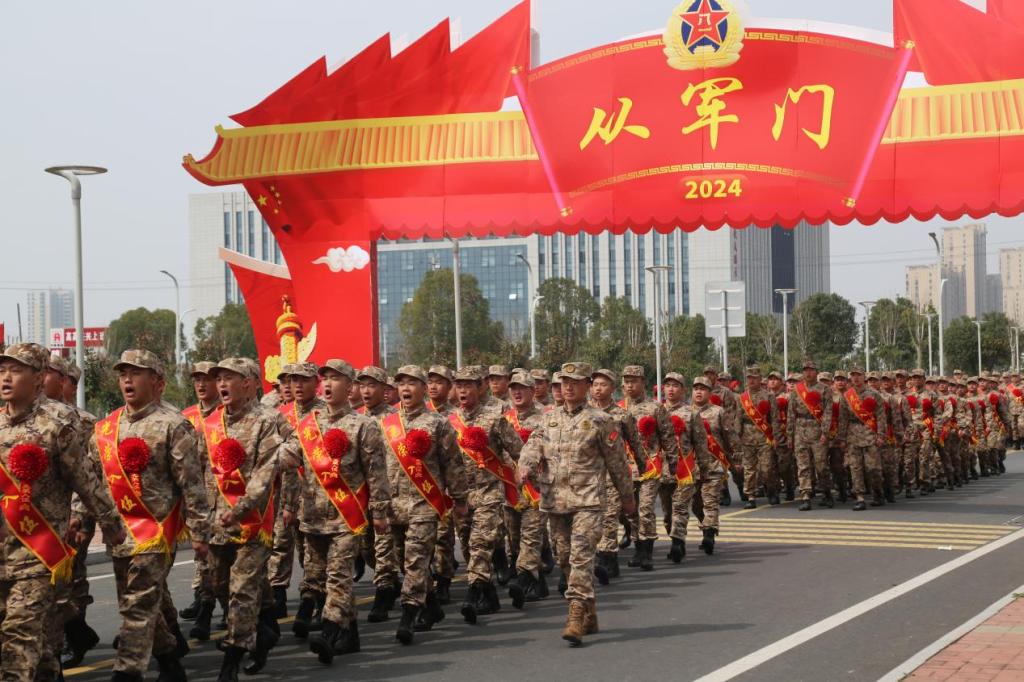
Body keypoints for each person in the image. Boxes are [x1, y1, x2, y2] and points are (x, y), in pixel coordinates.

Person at [228, 359, 390, 665]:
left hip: (346, 516)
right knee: (317, 576)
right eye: (325, 378)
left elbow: (376, 472)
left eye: (336, 379)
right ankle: (350, 634)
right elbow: (284, 459)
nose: (328, 384)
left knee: (338, 577)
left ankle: (329, 632)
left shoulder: (363, 425)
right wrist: (251, 470)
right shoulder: (307, 425)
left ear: (350, 386)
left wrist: (379, 511)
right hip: (312, 516)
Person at [80, 350, 212, 682]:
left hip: (156, 533)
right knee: (135, 602)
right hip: (119, 533)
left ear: (157, 381)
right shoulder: (107, 427)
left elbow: (192, 484)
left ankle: (127, 672)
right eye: (123, 374)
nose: (127, 380)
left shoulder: (173, 424)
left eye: (136, 373)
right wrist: (80, 517)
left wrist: (200, 533)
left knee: (137, 606)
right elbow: (91, 479)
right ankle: (169, 660)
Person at [0, 343, 127, 682]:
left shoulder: (57, 423)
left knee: (18, 639)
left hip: (37, 556)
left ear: (38, 377)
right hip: (2, 552)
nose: (6, 377)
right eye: (2, 370)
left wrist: (109, 522)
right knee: (41, 649)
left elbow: (85, 479)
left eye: (16, 370)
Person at [518, 362, 635, 647]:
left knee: (581, 557)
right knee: (564, 558)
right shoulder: (548, 419)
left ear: (587, 385)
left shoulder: (601, 420)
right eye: (564, 382)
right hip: (555, 501)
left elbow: (617, 461)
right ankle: (590, 611)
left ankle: (575, 614)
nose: (568, 387)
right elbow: (533, 446)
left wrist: (627, 496)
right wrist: (525, 465)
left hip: (588, 501)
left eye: (575, 382)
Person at [200, 358, 283, 682]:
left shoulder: (267, 421)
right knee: (219, 585)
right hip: (216, 522)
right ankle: (263, 632)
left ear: (248, 383)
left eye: (228, 378)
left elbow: (266, 472)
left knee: (242, 589)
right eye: (219, 378)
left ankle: (231, 660)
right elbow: (197, 471)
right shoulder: (209, 424)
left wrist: (241, 507)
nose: (221, 384)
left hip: (252, 521)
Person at [375, 365, 468, 644]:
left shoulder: (437, 423)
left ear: (423, 388)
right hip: (394, 505)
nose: (406, 388)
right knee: (406, 562)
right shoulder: (385, 424)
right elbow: (376, 467)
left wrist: (460, 498)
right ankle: (432, 606)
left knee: (416, 561)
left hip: (424, 504)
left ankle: (408, 615)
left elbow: (452, 463)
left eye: (412, 383)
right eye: (401, 383)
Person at [449, 366, 523, 622]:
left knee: (480, 544)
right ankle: (488, 594)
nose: (462, 390)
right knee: (468, 545)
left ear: (480, 387)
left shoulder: (494, 419)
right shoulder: (448, 422)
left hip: (489, 492)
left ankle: (473, 594)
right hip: (461, 496)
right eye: (459, 385)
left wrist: (524, 479)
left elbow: (518, 451)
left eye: (468, 385)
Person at [273, 363, 327, 636]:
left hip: (317, 496)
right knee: (281, 546)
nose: (297, 385)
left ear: (315, 383)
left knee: (313, 555)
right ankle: (280, 597)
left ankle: (319, 602)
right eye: (292, 380)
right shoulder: (280, 415)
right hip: (285, 495)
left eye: (303, 380)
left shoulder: (325, 414)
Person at [618, 366, 678, 571]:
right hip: (625, 468)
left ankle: (647, 551)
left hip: (650, 467)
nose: (629, 385)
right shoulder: (618, 409)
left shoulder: (655, 408)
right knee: (631, 512)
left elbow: (668, 436)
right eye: (626, 381)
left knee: (645, 509)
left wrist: (673, 462)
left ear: (643, 382)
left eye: (634, 381)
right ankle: (637, 546)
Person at [589, 368, 644, 581]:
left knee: (609, 517)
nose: (598, 389)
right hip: (588, 476)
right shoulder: (584, 413)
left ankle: (608, 559)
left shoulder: (622, 415)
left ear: (612, 388)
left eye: (603, 385)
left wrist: (642, 465)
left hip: (614, 475)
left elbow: (635, 443)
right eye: (595, 384)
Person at [504, 370, 550, 600]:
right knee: (513, 540)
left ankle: (525, 581)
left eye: (522, 388)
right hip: (510, 489)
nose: (517, 392)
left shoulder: (546, 418)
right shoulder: (504, 418)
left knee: (530, 537)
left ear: (533, 391)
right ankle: (539, 582)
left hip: (537, 488)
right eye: (513, 388)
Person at [676, 375, 735, 554]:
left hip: (713, 465)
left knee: (710, 501)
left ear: (710, 392)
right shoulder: (684, 412)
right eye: (696, 389)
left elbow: (730, 436)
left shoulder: (718, 412)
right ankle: (706, 525)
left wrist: (736, 458)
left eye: (703, 389)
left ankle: (709, 533)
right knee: (696, 504)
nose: (699, 392)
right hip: (691, 467)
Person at [836, 368, 888, 510]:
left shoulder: (874, 394)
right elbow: (843, 419)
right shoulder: (847, 396)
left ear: (864, 377)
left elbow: (881, 417)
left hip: (870, 434)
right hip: (853, 434)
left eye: (858, 375)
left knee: (873, 468)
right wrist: (842, 438)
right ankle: (859, 497)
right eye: (853, 375)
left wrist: (881, 435)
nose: (856, 378)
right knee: (855, 468)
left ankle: (878, 492)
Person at [787, 360, 835, 512]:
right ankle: (806, 496)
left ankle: (826, 492)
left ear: (816, 372)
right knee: (803, 466)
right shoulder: (797, 390)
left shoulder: (825, 389)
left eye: (811, 370)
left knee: (821, 465)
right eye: (805, 370)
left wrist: (825, 432)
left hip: (817, 430)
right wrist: (790, 435)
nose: (808, 373)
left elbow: (828, 412)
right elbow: (791, 413)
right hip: (800, 430)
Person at [738, 367, 781, 508]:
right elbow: (738, 419)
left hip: (765, 437)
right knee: (749, 469)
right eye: (749, 378)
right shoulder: (742, 398)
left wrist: (775, 437)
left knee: (766, 469)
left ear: (760, 379)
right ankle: (750, 497)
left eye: (754, 378)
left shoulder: (769, 396)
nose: (751, 380)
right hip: (747, 437)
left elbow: (775, 418)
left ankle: (771, 490)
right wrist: (737, 438)